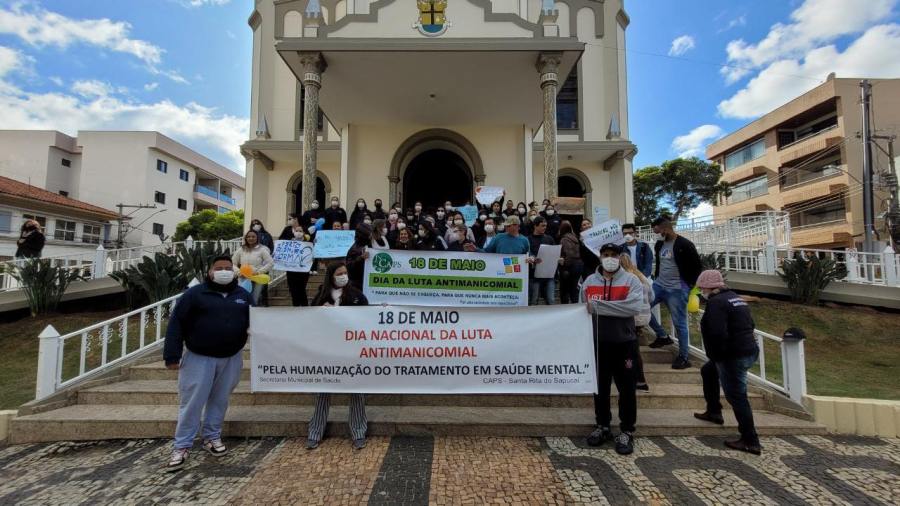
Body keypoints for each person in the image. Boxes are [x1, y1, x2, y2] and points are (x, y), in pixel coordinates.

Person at [163, 255, 250, 471]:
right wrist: (172, 355)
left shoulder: (242, 295)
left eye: (228, 268)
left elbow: (259, 320)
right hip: (199, 357)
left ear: (234, 271)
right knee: (192, 402)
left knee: (220, 400)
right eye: (219, 268)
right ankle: (182, 445)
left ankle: (212, 436)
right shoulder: (195, 294)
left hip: (231, 357)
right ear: (210, 271)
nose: (224, 271)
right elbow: (176, 323)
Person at [581, 243, 644, 456]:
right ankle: (603, 425)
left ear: (619, 257)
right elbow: (582, 309)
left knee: (627, 389)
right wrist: (613, 308)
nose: (610, 258)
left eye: (614, 255)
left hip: (624, 343)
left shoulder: (631, 280)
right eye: (606, 255)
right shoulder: (589, 282)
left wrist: (598, 307)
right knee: (600, 387)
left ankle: (627, 430)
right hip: (598, 342)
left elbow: (633, 307)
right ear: (600, 257)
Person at [693, 270, 762, 455]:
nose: (701, 292)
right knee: (708, 371)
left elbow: (717, 332)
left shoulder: (716, 303)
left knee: (737, 396)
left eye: (701, 288)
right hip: (748, 350)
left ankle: (750, 440)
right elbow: (751, 324)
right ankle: (714, 411)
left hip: (732, 355)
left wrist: (718, 356)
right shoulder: (735, 298)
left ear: (709, 287)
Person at [308, 262, 369, 450]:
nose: (343, 276)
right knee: (322, 391)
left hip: (351, 350)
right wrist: (320, 311)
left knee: (356, 392)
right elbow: (309, 319)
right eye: (339, 273)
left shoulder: (357, 295)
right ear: (331, 276)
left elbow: (367, 318)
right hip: (326, 350)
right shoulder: (321, 295)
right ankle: (315, 432)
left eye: (345, 272)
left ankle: (358, 432)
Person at [647, 217, 703, 370]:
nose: (657, 235)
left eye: (658, 231)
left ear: (665, 229)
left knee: (680, 323)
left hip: (677, 289)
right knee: (642, 308)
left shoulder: (685, 244)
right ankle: (662, 336)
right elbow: (661, 263)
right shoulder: (660, 244)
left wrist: (689, 286)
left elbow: (697, 266)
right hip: (659, 285)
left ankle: (684, 357)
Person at [619, 253, 652, 391]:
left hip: (632, 317)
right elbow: (652, 296)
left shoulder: (624, 279)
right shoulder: (641, 276)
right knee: (634, 349)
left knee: (631, 351)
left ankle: (638, 379)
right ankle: (638, 379)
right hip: (645, 316)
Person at [231, 229, 274, 305]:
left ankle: (253, 311)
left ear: (257, 238)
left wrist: (258, 272)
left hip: (257, 278)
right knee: (243, 299)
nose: (251, 238)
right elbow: (232, 263)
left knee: (254, 299)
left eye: (253, 237)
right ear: (246, 238)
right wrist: (238, 273)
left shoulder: (262, 249)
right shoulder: (241, 249)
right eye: (249, 237)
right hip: (243, 277)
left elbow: (270, 263)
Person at [279, 214, 313, 307]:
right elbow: (281, 242)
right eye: (296, 231)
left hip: (303, 269)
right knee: (293, 289)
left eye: (300, 231)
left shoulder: (307, 241)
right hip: (291, 269)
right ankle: (296, 307)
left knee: (302, 289)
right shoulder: (288, 233)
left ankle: (304, 307)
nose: (298, 232)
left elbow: (311, 249)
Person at [527, 217, 557, 306]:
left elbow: (555, 252)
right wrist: (532, 258)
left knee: (551, 300)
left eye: (545, 226)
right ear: (535, 226)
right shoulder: (528, 239)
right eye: (542, 225)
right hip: (534, 275)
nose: (545, 228)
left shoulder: (550, 239)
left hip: (549, 275)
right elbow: (527, 253)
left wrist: (558, 258)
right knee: (533, 300)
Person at [558, 221, 583, 304]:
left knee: (565, 290)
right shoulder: (575, 238)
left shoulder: (564, 239)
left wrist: (564, 265)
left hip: (569, 267)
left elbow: (569, 254)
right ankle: (576, 306)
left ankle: (565, 308)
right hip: (578, 265)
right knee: (574, 289)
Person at [345, 224, 372, 289]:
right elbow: (349, 266)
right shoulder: (354, 250)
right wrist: (361, 258)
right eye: (369, 234)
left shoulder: (366, 245)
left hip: (364, 282)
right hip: (357, 284)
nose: (371, 236)